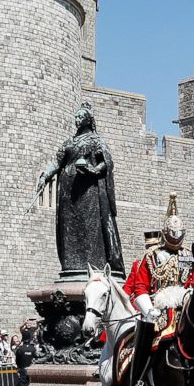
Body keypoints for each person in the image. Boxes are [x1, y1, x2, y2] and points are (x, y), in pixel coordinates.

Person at [124, 194, 194, 386]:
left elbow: (193, 283)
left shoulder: (191, 257)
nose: (175, 240)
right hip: (158, 308)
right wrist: (148, 308)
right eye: (171, 235)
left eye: (179, 235)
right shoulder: (152, 256)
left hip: (184, 306)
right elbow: (140, 286)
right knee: (145, 335)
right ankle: (137, 384)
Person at [34, 101, 125, 277]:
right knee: (69, 229)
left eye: (80, 117)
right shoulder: (69, 142)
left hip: (88, 193)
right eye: (76, 117)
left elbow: (107, 163)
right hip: (68, 193)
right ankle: (71, 266)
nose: (77, 120)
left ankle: (93, 266)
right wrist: (45, 176)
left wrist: (93, 170)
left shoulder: (96, 141)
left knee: (90, 229)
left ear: (88, 120)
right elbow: (57, 162)